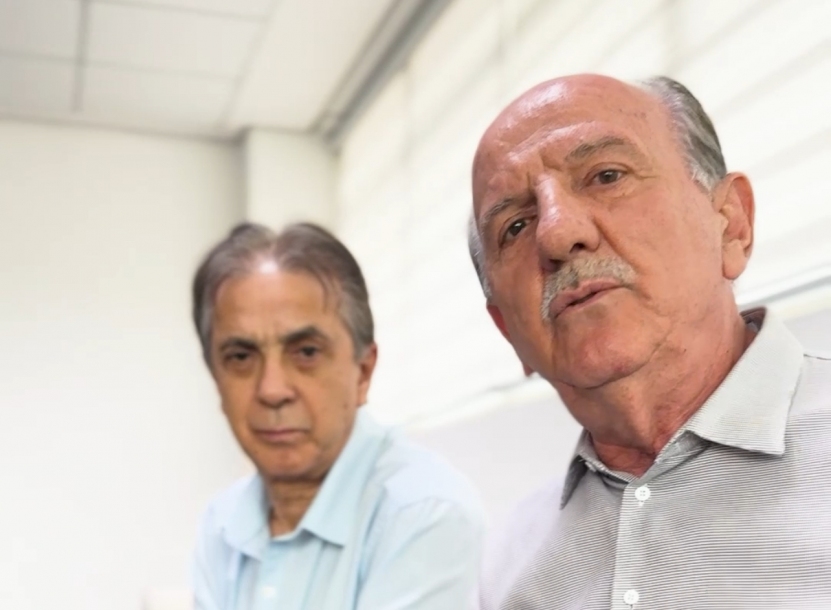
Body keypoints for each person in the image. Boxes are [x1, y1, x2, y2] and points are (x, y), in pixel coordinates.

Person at [468, 74, 831, 609]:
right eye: (515, 227)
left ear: (731, 225)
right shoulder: (504, 564)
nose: (557, 233)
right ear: (507, 329)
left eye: (606, 176)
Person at [190, 222, 484, 610]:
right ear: (216, 379)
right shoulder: (221, 523)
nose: (272, 390)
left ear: (363, 372)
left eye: (306, 352)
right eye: (241, 357)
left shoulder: (425, 512)